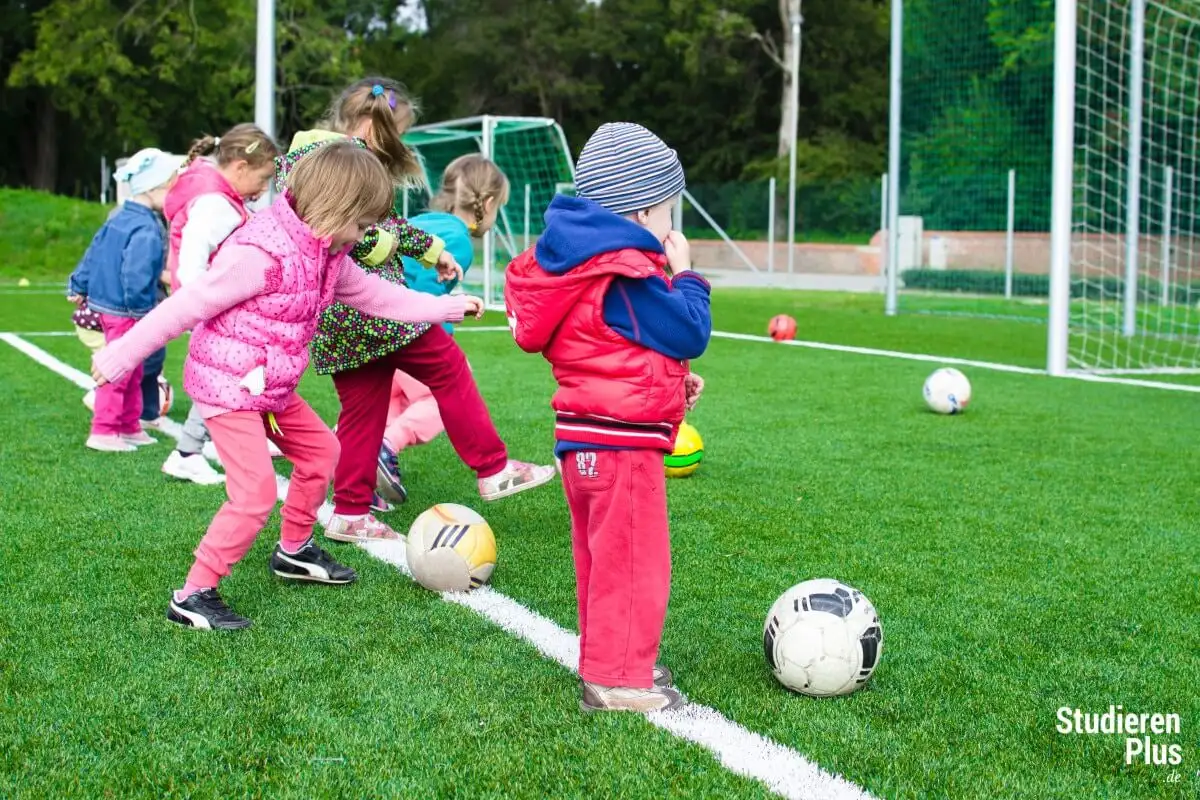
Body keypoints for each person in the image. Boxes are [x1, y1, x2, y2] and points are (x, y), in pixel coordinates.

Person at [89, 141, 485, 630]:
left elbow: (377, 296)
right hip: (228, 388)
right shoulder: (260, 254)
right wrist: (121, 355)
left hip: (269, 387)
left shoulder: (328, 252)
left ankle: (294, 550)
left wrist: (446, 307)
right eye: (362, 225)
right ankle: (192, 595)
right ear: (335, 208)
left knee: (323, 453)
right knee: (254, 494)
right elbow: (187, 305)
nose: (365, 236)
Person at [276, 77, 554, 543]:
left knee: (363, 410)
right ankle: (493, 468)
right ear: (372, 126)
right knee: (449, 367)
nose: (398, 143)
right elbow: (356, 232)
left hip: (336, 318)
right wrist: (394, 251)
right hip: (371, 308)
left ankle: (350, 512)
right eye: (397, 133)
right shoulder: (342, 160)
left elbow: (383, 223)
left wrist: (432, 251)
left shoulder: (309, 157)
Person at [504, 122, 712, 713]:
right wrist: (687, 275)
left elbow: (610, 348)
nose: (671, 225)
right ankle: (617, 678)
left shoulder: (581, 265)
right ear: (642, 210)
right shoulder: (623, 272)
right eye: (668, 210)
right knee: (633, 562)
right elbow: (689, 329)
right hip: (621, 447)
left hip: (586, 439)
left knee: (603, 560)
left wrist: (671, 383)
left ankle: (609, 660)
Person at [375, 154, 510, 507]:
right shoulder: (459, 242)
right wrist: (447, 316)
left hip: (374, 328)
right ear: (488, 204)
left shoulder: (420, 222)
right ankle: (386, 447)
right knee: (442, 395)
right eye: (499, 208)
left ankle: (356, 462)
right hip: (407, 333)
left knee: (389, 402)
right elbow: (422, 290)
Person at [159, 123, 281, 486]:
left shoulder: (220, 197)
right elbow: (192, 262)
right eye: (263, 178)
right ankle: (187, 452)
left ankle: (212, 443)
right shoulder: (215, 204)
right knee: (225, 378)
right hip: (215, 309)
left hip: (217, 307)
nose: (264, 189)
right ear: (240, 167)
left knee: (237, 375)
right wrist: (207, 304)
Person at [68, 148, 184, 452]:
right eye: (171, 187)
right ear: (155, 188)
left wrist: (79, 283)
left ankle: (129, 426)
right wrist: (142, 313)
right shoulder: (146, 227)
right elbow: (136, 273)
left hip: (113, 307)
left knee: (133, 368)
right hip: (127, 311)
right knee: (120, 369)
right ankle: (104, 430)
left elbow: (93, 250)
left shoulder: (120, 216)